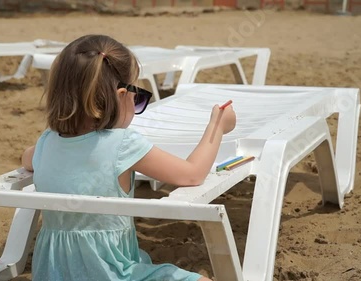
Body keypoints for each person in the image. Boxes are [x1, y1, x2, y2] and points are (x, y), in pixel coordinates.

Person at [21, 34, 236, 281]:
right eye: (137, 96)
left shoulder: (46, 142)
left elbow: (27, 159)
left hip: (53, 273)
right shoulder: (123, 144)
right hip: (112, 273)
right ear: (121, 95)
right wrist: (217, 125)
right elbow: (192, 174)